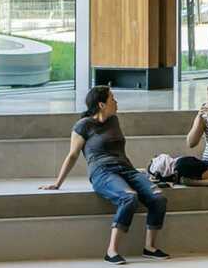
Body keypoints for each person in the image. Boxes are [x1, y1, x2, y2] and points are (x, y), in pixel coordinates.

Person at [40, 86, 170, 265]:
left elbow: (119, 150)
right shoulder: (83, 125)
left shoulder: (114, 120)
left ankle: (150, 247)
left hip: (126, 169)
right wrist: (57, 183)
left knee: (158, 198)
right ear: (101, 104)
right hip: (102, 172)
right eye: (112, 99)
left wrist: (137, 174)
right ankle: (112, 251)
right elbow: (72, 155)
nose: (116, 102)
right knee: (129, 198)